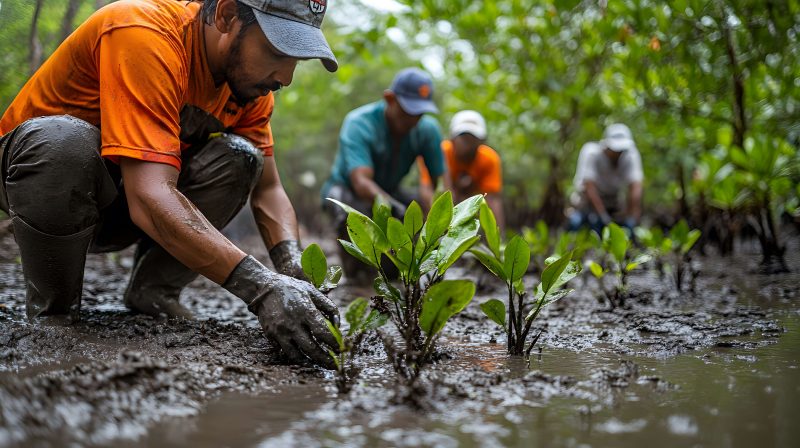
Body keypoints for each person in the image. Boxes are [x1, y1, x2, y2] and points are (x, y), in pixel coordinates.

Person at [0, 0, 341, 368]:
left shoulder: (249, 86)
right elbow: (149, 195)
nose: (285, 77)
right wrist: (261, 287)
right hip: (40, 188)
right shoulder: (144, 32)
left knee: (243, 157)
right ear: (227, 15)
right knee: (64, 142)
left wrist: (292, 269)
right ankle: (53, 315)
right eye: (276, 51)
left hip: (128, 207)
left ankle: (154, 292)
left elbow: (269, 190)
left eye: (297, 61)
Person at [321, 68, 446, 229]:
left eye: (420, 113)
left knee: (418, 208)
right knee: (352, 212)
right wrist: (394, 208)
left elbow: (442, 184)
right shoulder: (359, 123)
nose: (413, 120)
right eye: (408, 111)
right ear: (389, 98)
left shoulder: (428, 130)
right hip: (349, 192)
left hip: (390, 191)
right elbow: (361, 182)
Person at [419, 110, 505, 229]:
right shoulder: (440, 152)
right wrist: (439, 222)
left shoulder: (489, 159)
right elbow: (426, 189)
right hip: (441, 204)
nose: (468, 143)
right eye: (464, 137)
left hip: (470, 205)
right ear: (452, 139)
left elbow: (493, 200)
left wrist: (498, 235)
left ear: (482, 141)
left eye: (473, 138)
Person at [568, 123, 644, 234]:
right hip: (586, 203)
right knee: (576, 224)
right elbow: (589, 187)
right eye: (615, 149)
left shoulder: (630, 155)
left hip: (613, 203)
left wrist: (632, 216)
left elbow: (635, 187)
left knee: (627, 230)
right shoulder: (591, 153)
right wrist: (603, 217)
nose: (617, 153)